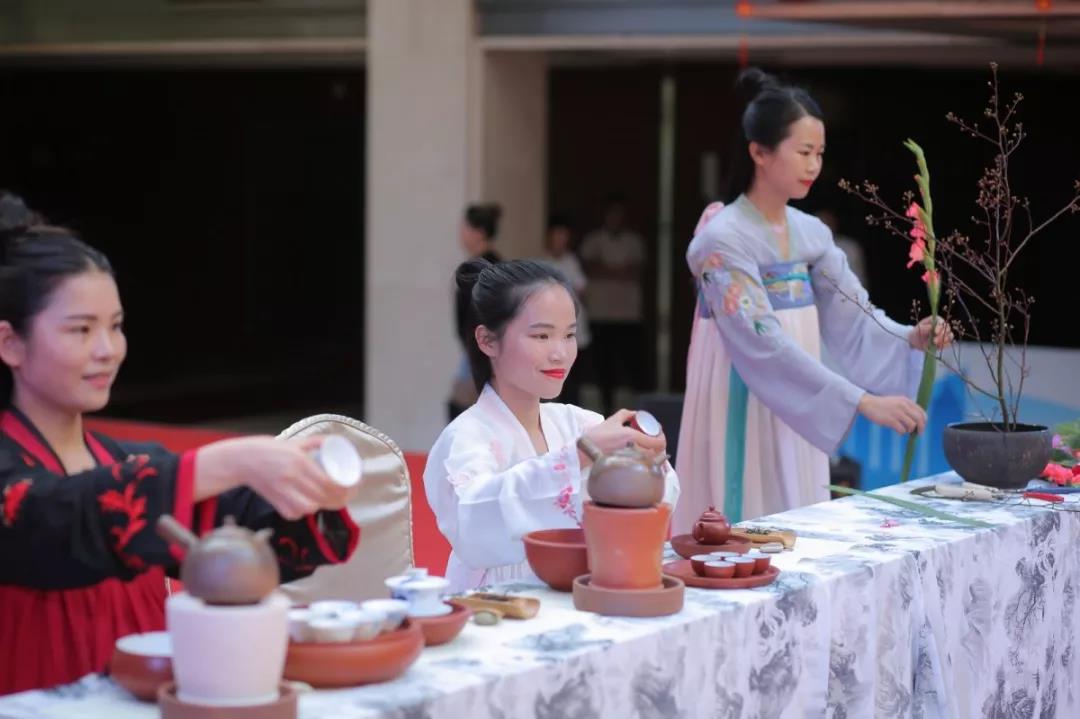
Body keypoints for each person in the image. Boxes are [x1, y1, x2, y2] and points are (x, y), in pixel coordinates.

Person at [0, 193, 359, 695]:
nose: (107, 350)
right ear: (10, 343)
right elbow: (56, 515)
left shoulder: (131, 463)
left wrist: (308, 493)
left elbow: (250, 538)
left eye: (115, 327)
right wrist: (226, 460)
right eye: (80, 330)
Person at [673, 69, 952, 532]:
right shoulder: (721, 239)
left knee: (795, 513)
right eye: (803, 152)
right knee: (743, 512)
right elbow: (762, 341)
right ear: (759, 152)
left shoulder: (811, 233)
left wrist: (909, 337)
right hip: (745, 387)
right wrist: (860, 401)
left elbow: (853, 313)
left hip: (801, 396)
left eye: (819, 153)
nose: (814, 165)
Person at [425, 259, 679, 592]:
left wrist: (649, 463)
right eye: (542, 335)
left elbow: (658, 500)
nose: (560, 353)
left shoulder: (579, 422)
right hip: (496, 601)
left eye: (569, 335)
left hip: (582, 590)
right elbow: (473, 525)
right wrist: (578, 456)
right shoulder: (466, 437)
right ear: (487, 341)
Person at [579, 196, 646, 415]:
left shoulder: (634, 242)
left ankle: (638, 406)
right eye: (611, 214)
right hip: (600, 313)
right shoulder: (593, 240)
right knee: (602, 364)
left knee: (631, 362)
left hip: (628, 314)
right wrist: (619, 270)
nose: (615, 218)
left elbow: (635, 271)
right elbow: (590, 268)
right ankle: (605, 406)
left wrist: (606, 268)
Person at [449, 204, 504, 421]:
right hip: (477, 348)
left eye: (465, 228)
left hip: (480, 350)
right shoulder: (485, 265)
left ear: (479, 232)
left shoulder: (485, 268)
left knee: (464, 410)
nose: (461, 233)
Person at [542, 213, 591, 405]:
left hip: (575, 330)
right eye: (556, 236)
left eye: (563, 237)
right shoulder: (543, 263)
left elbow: (581, 289)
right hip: (551, 330)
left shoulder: (572, 262)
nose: (559, 241)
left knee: (573, 382)